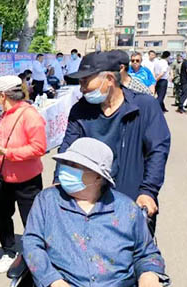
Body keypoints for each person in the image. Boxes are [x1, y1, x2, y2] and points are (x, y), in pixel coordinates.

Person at [23, 137, 171, 287]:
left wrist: (148, 277)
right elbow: (32, 243)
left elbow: (146, 252)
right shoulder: (47, 201)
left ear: (98, 177)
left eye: (75, 165)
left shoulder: (126, 210)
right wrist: (55, 284)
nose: (65, 170)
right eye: (65, 164)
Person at [57, 51, 171, 231]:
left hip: (131, 201)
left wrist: (148, 192)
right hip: (89, 201)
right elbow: (67, 149)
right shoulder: (80, 111)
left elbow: (157, 151)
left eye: (85, 81)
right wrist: (59, 182)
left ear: (109, 78)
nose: (81, 88)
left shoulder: (144, 107)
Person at [0, 75, 47, 273]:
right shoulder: (4, 114)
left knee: (31, 220)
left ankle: (37, 259)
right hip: (3, 176)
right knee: (1, 217)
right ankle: (9, 252)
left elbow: (39, 148)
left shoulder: (30, 115)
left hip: (27, 180)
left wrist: (8, 153)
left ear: (3, 95)